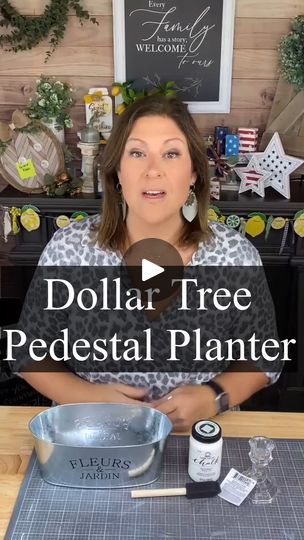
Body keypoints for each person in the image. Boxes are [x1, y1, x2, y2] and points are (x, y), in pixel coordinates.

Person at [18, 95, 281, 431]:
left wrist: (215, 396)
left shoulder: (235, 256)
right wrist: (88, 397)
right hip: (92, 436)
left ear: (194, 175)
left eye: (171, 153)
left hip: (198, 443)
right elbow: (28, 351)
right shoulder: (70, 250)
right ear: (116, 172)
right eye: (137, 152)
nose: (153, 169)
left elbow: (263, 357)